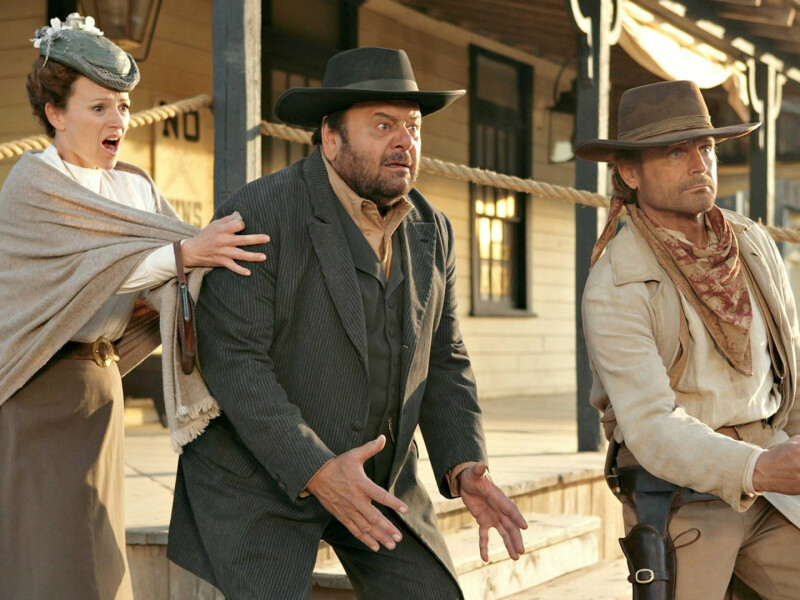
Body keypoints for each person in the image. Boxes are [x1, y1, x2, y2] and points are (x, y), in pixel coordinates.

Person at [167, 46, 527, 599]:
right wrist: (317, 470)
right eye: (383, 125)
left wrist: (464, 465)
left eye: (412, 126)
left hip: (379, 478)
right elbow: (235, 362)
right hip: (261, 479)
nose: (405, 141)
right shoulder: (259, 213)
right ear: (330, 138)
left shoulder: (433, 229)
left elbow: (444, 357)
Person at [0, 13, 269, 600]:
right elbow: (96, 275)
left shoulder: (135, 187)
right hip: (37, 389)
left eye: (122, 106)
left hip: (102, 384)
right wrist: (183, 254)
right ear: (55, 113)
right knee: (47, 556)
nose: (118, 120)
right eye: (99, 106)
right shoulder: (32, 184)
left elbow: (173, 280)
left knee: (95, 550)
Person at [576, 79, 800, 600]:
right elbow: (651, 425)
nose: (700, 164)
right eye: (676, 152)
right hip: (680, 492)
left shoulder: (751, 243)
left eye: (706, 148)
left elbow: (791, 366)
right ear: (629, 172)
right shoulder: (617, 282)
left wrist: (786, 457)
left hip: (773, 475)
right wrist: (757, 468)